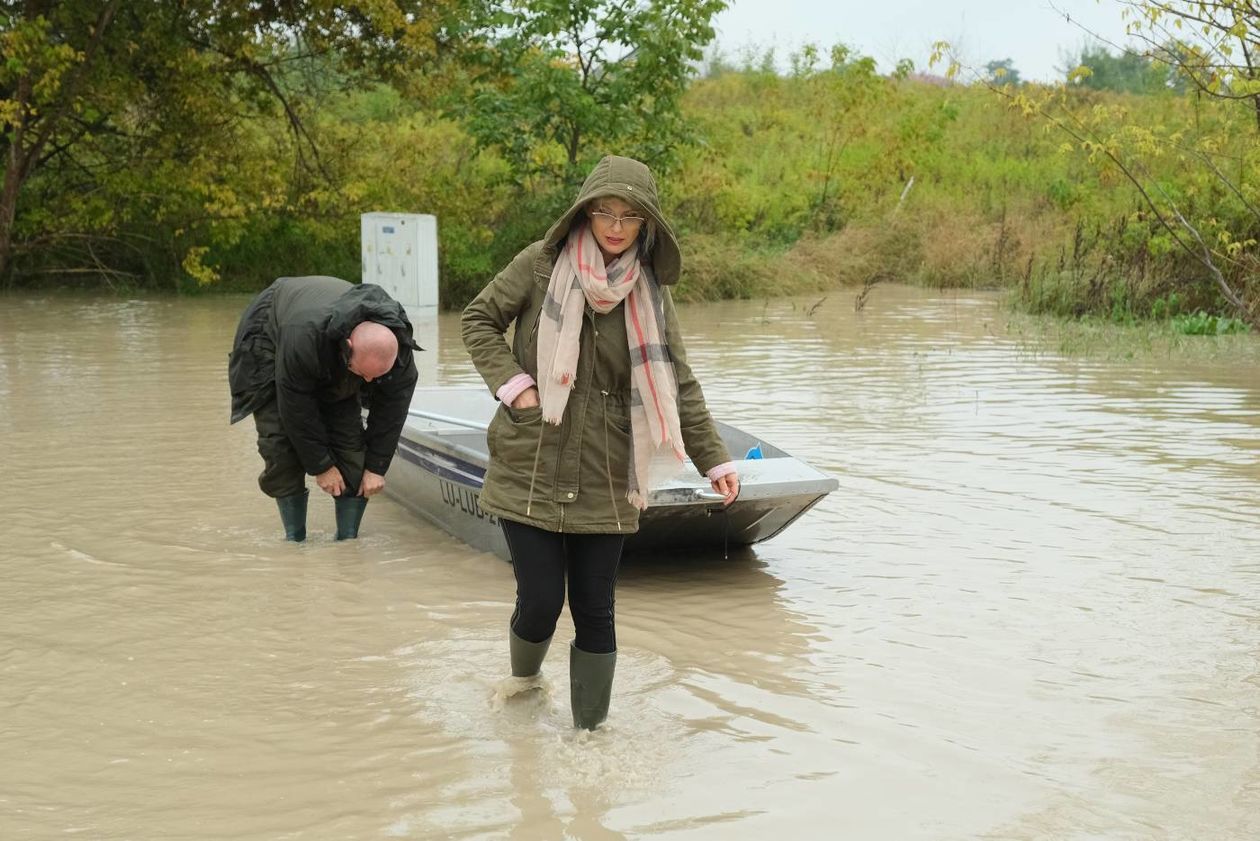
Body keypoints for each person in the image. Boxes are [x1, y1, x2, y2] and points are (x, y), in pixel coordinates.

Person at [461, 155, 739, 730]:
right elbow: (478, 319)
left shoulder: (653, 292)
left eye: (630, 216)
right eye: (604, 212)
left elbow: (678, 379)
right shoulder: (538, 265)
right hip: (530, 457)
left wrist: (714, 460)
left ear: (646, 226)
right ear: (583, 213)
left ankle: (591, 739)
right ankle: (523, 684)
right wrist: (516, 388)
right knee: (540, 601)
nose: (615, 226)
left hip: (609, 469)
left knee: (595, 609)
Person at [228, 276, 419, 541]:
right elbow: (296, 406)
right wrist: (321, 466)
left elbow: (391, 412)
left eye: (374, 378)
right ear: (348, 346)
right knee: (280, 445)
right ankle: (295, 541)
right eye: (362, 374)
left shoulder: (399, 353)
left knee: (352, 451)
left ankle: (347, 542)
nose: (367, 383)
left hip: (332, 348)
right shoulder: (303, 336)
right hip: (273, 330)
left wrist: (376, 467)